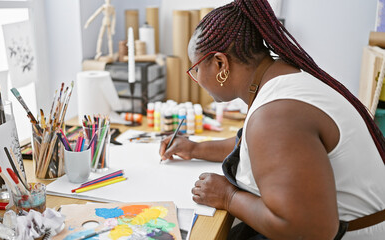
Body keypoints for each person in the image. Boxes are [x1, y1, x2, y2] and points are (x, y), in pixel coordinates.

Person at [159, 0, 385, 239]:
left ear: (220, 63)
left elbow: (309, 230)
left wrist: (228, 197)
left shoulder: (275, 116)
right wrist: (195, 148)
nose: (195, 78)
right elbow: (258, 150)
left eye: (195, 70)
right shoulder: (281, 77)